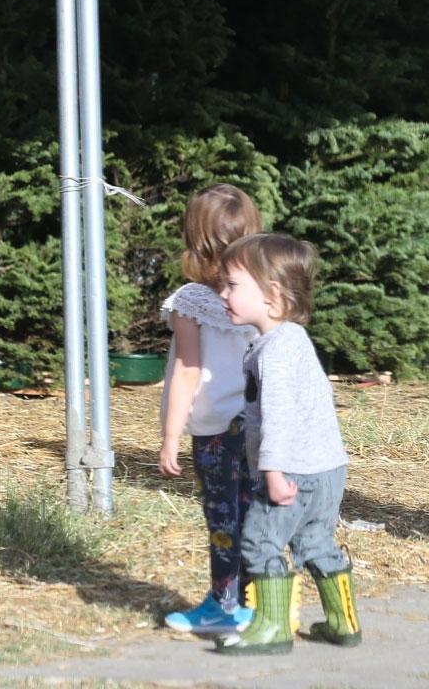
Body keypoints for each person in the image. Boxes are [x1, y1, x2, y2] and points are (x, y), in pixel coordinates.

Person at [213, 232, 360, 655]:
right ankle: (343, 622)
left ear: (272, 296)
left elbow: (279, 418)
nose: (223, 292)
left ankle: (272, 629)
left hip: (292, 472)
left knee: (259, 541)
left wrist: (273, 472)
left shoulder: (275, 351)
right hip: (327, 467)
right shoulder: (291, 340)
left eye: (233, 285)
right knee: (316, 544)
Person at [158, 183, 262, 634]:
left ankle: (224, 608)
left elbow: (186, 369)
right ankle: (259, 604)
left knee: (223, 519)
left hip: (216, 430)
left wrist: (169, 435)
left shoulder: (191, 301)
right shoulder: (265, 293)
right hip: (261, 426)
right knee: (258, 517)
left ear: (196, 240)